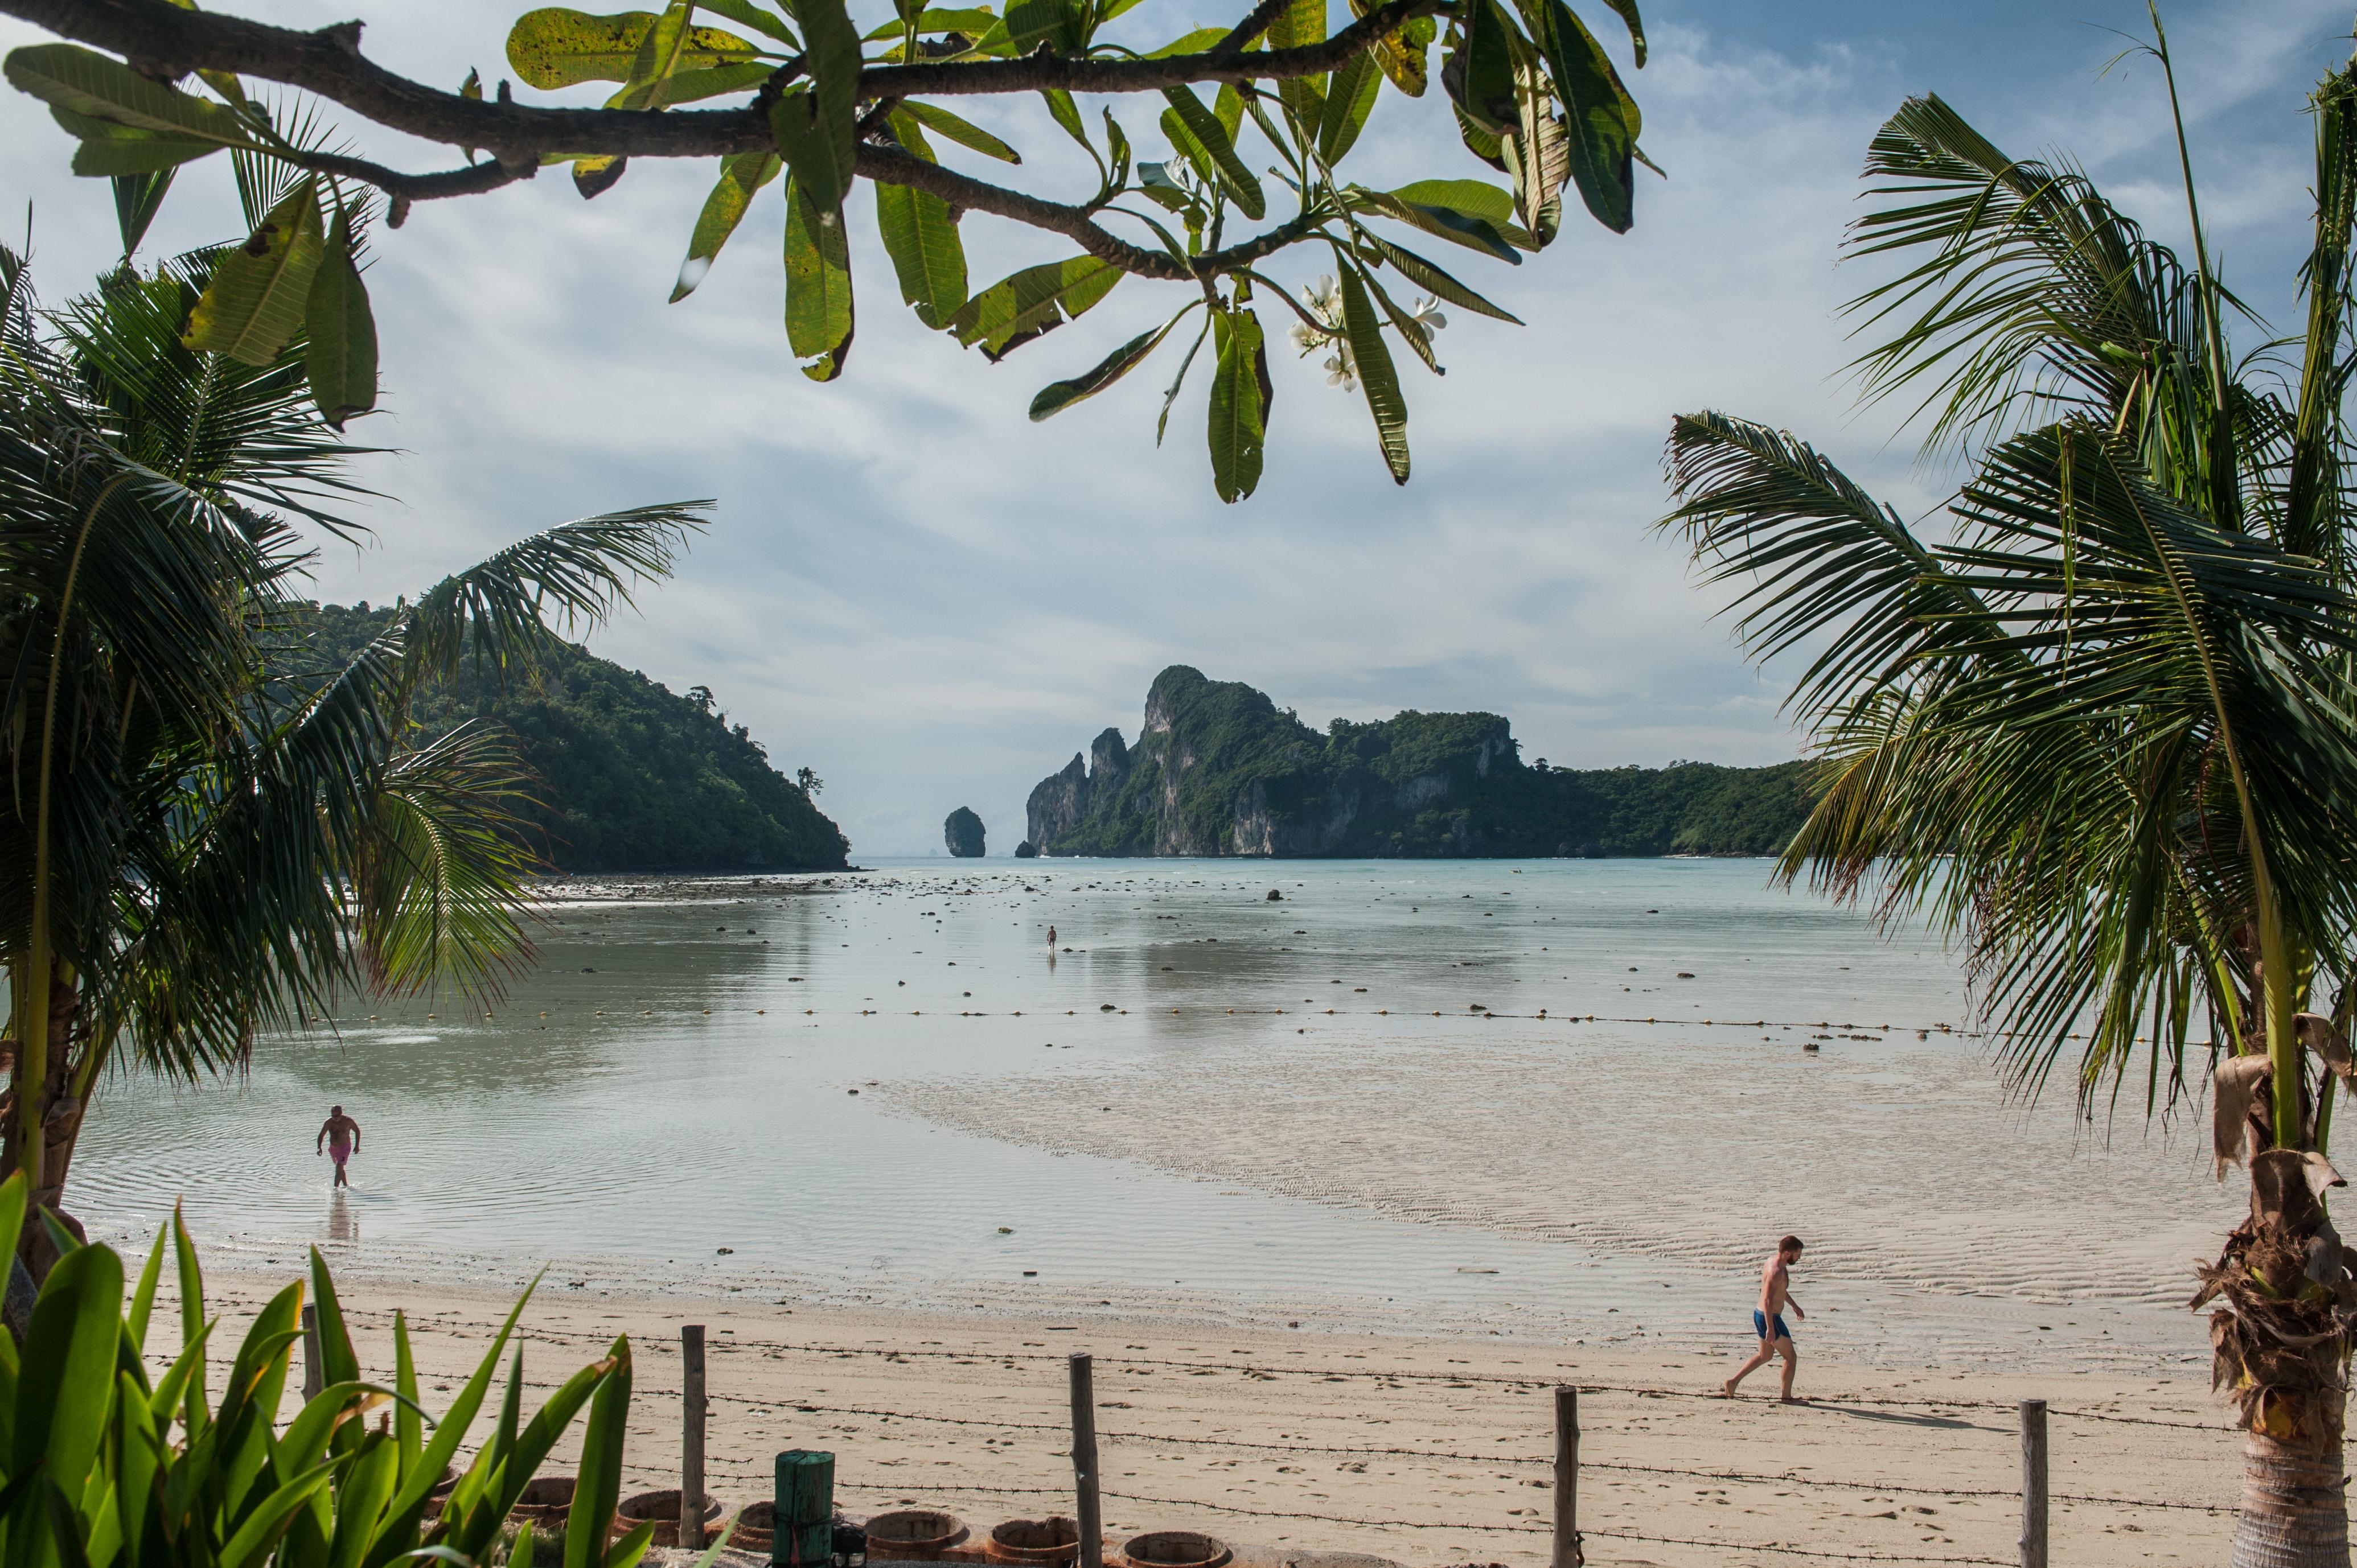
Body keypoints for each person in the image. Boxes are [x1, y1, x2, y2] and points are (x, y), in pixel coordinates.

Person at [1723, 1234, 1805, 1401]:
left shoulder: (1772, 1262)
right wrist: (1770, 1328)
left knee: (1765, 1356)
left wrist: (1794, 1305)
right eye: (1798, 1255)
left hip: (1760, 1314)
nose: (1799, 1258)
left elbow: (1779, 1291)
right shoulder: (1777, 1272)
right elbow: (1768, 1299)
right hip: (1770, 1317)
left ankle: (1733, 1382)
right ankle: (1786, 1398)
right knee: (1791, 1358)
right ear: (1788, 1253)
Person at [317, 1105, 362, 1188]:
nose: (335, 1118)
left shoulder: (348, 1121)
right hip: (333, 1148)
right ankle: (346, 1185)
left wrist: (357, 1146)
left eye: (337, 1116)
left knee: (339, 1166)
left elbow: (357, 1131)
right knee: (340, 1168)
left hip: (345, 1148)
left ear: (341, 1113)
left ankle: (336, 1190)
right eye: (333, 1116)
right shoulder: (329, 1122)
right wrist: (319, 1147)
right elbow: (321, 1135)